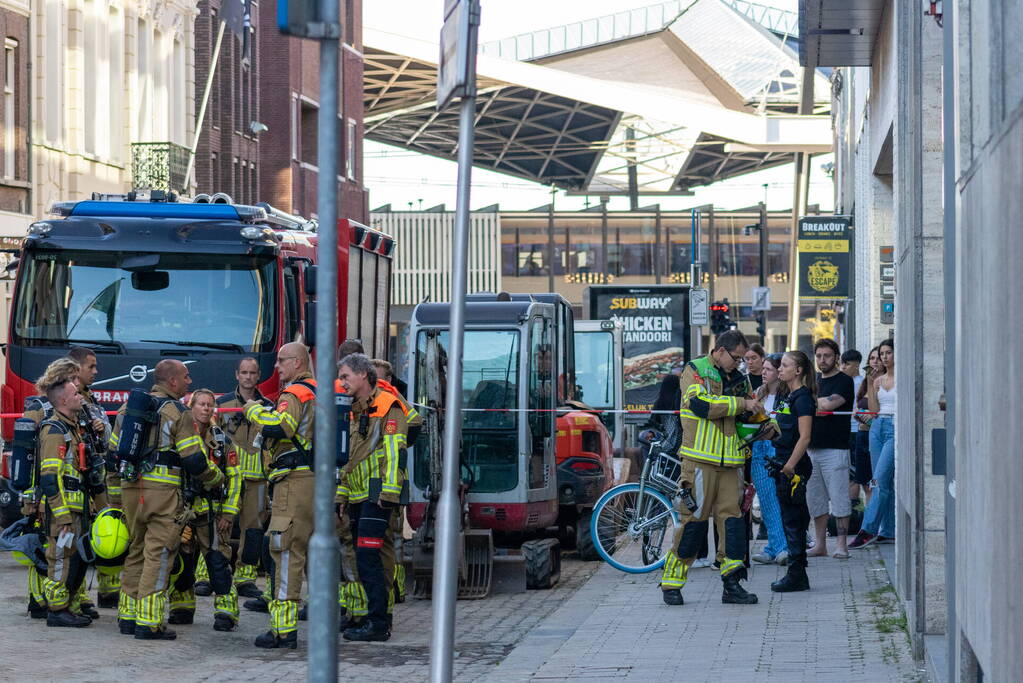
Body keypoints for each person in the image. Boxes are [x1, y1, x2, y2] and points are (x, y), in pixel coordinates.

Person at [111, 359, 224, 640]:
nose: (189, 382)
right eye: (185, 377)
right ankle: (149, 622)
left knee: (136, 550)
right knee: (159, 555)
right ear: (172, 382)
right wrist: (216, 479)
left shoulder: (128, 409)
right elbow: (194, 459)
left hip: (130, 490)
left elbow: (112, 453)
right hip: (163, 494)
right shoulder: (178, 412)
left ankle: (128, 616)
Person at [660, 330, 762, 606]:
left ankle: (732, 583)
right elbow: (700, 404)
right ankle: (672, 582)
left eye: (743, 359)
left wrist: (763, 423)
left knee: (732, 525)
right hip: (699, 460)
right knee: (693, 523)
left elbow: (749, 411)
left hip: (731, 463)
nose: (739, 364)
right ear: (720, 350)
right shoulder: (695, 370)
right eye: (736, 358)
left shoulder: (739, 379)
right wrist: (741, 404)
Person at [244, 342, 317, 649]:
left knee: (284, 550)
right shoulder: (317, 391)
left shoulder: (296, 393)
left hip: (294, 480)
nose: (277, 367)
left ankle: (283, 630)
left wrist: (253, 410)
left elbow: (279, 426)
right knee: (303, 549)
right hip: (312, 479)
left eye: (282, 361)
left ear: (298, 362)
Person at [337, 353, 411, 641]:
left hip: (376, 497)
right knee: (364, 558)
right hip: (357, 497)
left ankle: (378, 623)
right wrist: (340, 496)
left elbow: (395, 453)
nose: (341, 383)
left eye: (345, 377)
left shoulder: (388, 406)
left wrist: (389, 492)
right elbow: (348, 459)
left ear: (364, 376)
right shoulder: (354, 409)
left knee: (369, 558)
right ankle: (374, 618)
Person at [167, 389, 242, 631]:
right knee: (183, 563)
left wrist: (229, 513)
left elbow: (235, 478)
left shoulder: (223, 441)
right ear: (191, 407)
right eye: (201, 404)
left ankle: (226, 611)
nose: (206, 408)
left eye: (210, 405)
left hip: (212, 513)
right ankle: (182, 607)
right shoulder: (178, 436)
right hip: (184, 513)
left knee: (218, 563)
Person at [18, 358, 83, 620]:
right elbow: (46, 470)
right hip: (49, 498)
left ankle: (60, 603)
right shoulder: (46, 416)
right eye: (73, 379)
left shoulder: (73, 415)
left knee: (62, 554)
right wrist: (36, 501)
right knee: (50, 554)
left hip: (64, 499)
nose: (77, 384)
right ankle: (44, 603)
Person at [36, 377, 94, 627]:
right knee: (60, 559)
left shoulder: (72, 427)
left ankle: (67, 605)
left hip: (77, 509)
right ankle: (56, 610)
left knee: (73, 559)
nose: (80, 396)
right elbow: (49, 478)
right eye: (75, 393)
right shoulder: (54, 430)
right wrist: (62, 517)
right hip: (63, 513)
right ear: (62, 400)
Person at [67, 346, 119, 610]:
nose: (96, 372)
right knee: (73, 541)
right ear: (76, 369)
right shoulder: (66, 400)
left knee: (103, 532)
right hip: (77, 483)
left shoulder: (92, 399)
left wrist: (101, 430)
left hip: (98, 480)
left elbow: (106, 439)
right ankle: (71, 596)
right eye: (92, 367)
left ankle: (108, 591)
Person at [216, 357, 272, 599]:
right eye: (244, 372)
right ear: (236, 375)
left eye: (253, 373)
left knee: (254, 530)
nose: (248, 377)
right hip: (229, 478)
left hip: (258, 479)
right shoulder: (222, 404)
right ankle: (211, 575)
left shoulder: (269, 405)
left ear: (258, 375)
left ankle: (245, 578)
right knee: (220, 526)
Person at [769, 351, 816, 592]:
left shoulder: (803, 398)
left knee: (794, 520)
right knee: (790, 518)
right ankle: (797, 572)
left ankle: (796, 574)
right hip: (781, 462)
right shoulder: (787, 396)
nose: (780, 369)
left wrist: (789, 465)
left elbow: (805, 436)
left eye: (785, 365)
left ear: (798, 371)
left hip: (793, 468)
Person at [806, 338, 854, 559]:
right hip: (811, 448)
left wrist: (811, 402)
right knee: (815, 499)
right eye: (818, 356)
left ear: (836, 357)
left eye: (826, 356)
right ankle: (820, 544)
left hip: (835, 448)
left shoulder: (844, 380)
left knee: (839, 498)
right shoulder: (813, 380)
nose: (822, 360)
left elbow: (828, 404)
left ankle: (842, 544)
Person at [850, 339, 896, 549]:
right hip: (877, 427)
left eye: (888, 353)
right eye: (882, 353)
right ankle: (888, 530)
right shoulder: (878, 381)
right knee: (882, 481)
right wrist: (870, 382)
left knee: (879, 479)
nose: (885, 357)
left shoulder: (901, 376)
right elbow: (873, 410)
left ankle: (868, 529)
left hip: (894, 426)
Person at [750, 354, 789, 565]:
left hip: (778, 447)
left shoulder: (787, 395)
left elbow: (781, 422)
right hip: (759, 448)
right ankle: (774, 546)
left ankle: (782, 546)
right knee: (765, 499)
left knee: (779, 499)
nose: (763, 373)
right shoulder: (758, 393)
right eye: (763, 369)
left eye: (769, 369)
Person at [852, 346, 880, 506]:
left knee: (876, 482)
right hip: (861, 435)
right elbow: (859, 404)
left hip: (876, 435)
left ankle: (876, 522)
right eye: (872, 358)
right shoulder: (864, 382)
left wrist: (870, 419)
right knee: (865, 483)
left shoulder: (883, 382)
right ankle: (869, 520)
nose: (875, 361)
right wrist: (859, 413)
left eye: (878, 358)